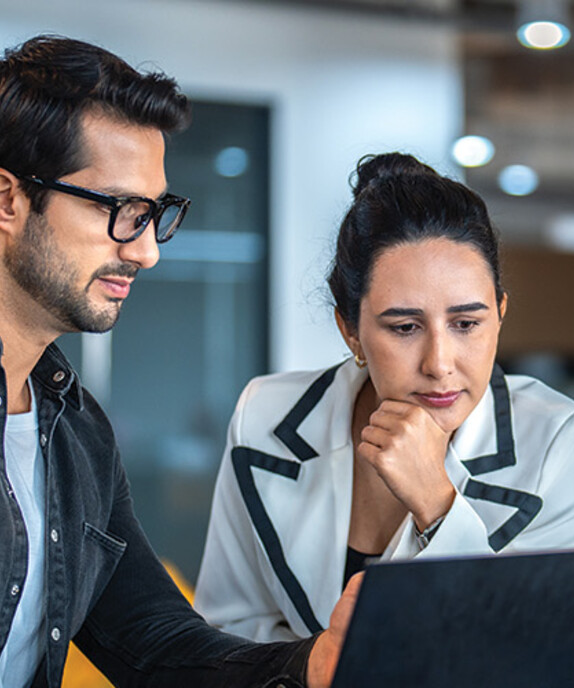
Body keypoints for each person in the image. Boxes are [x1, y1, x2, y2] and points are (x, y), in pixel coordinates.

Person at [0, 35, 355, 688]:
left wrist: (308, 665)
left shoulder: (76, 431)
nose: (146, 252)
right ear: (9, 200)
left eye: (153, 214)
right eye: (119, 211)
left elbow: (152, 643)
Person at [194, 152, 574, 642]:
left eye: (467, 324)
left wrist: (437, 503)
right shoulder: (265, 414)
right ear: (351, 331)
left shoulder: (557, 436)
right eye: (405, 327)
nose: (440, 363)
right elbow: (229, 632)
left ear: (500, 313)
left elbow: (530, 651)